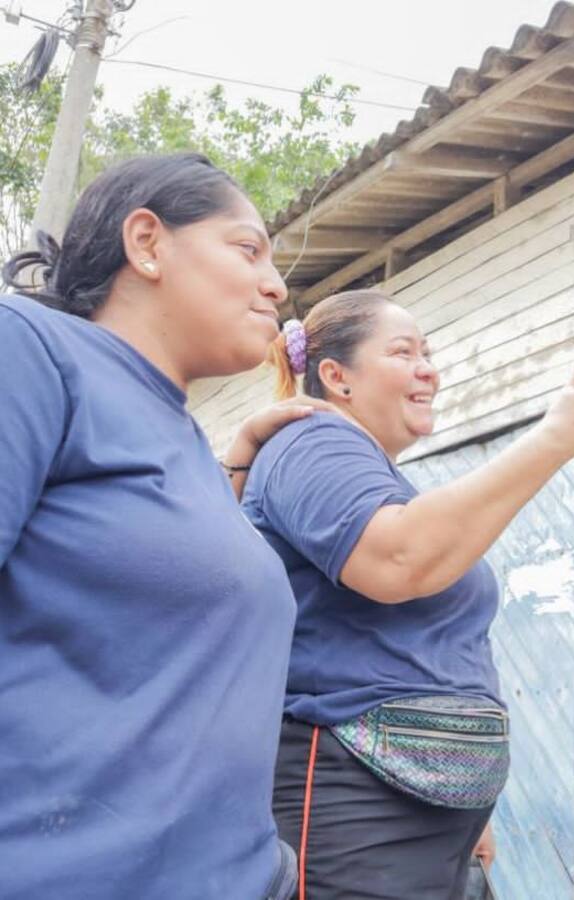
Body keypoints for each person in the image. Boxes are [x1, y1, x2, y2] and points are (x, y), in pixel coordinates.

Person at [0, 153, 328, 898]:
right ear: (146, 242)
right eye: (248, 249)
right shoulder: (30, 349)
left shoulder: (185, 441)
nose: (277, 285)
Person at [241, 289, 574, 899]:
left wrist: (468, 804)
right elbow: (398, 559)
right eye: (403, 352)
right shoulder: (314, 441)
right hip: (356, 800)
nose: (428, 368)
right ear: (336, 377)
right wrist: (553, 439)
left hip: (425, 813)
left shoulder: (383, 477)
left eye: (429, 352)